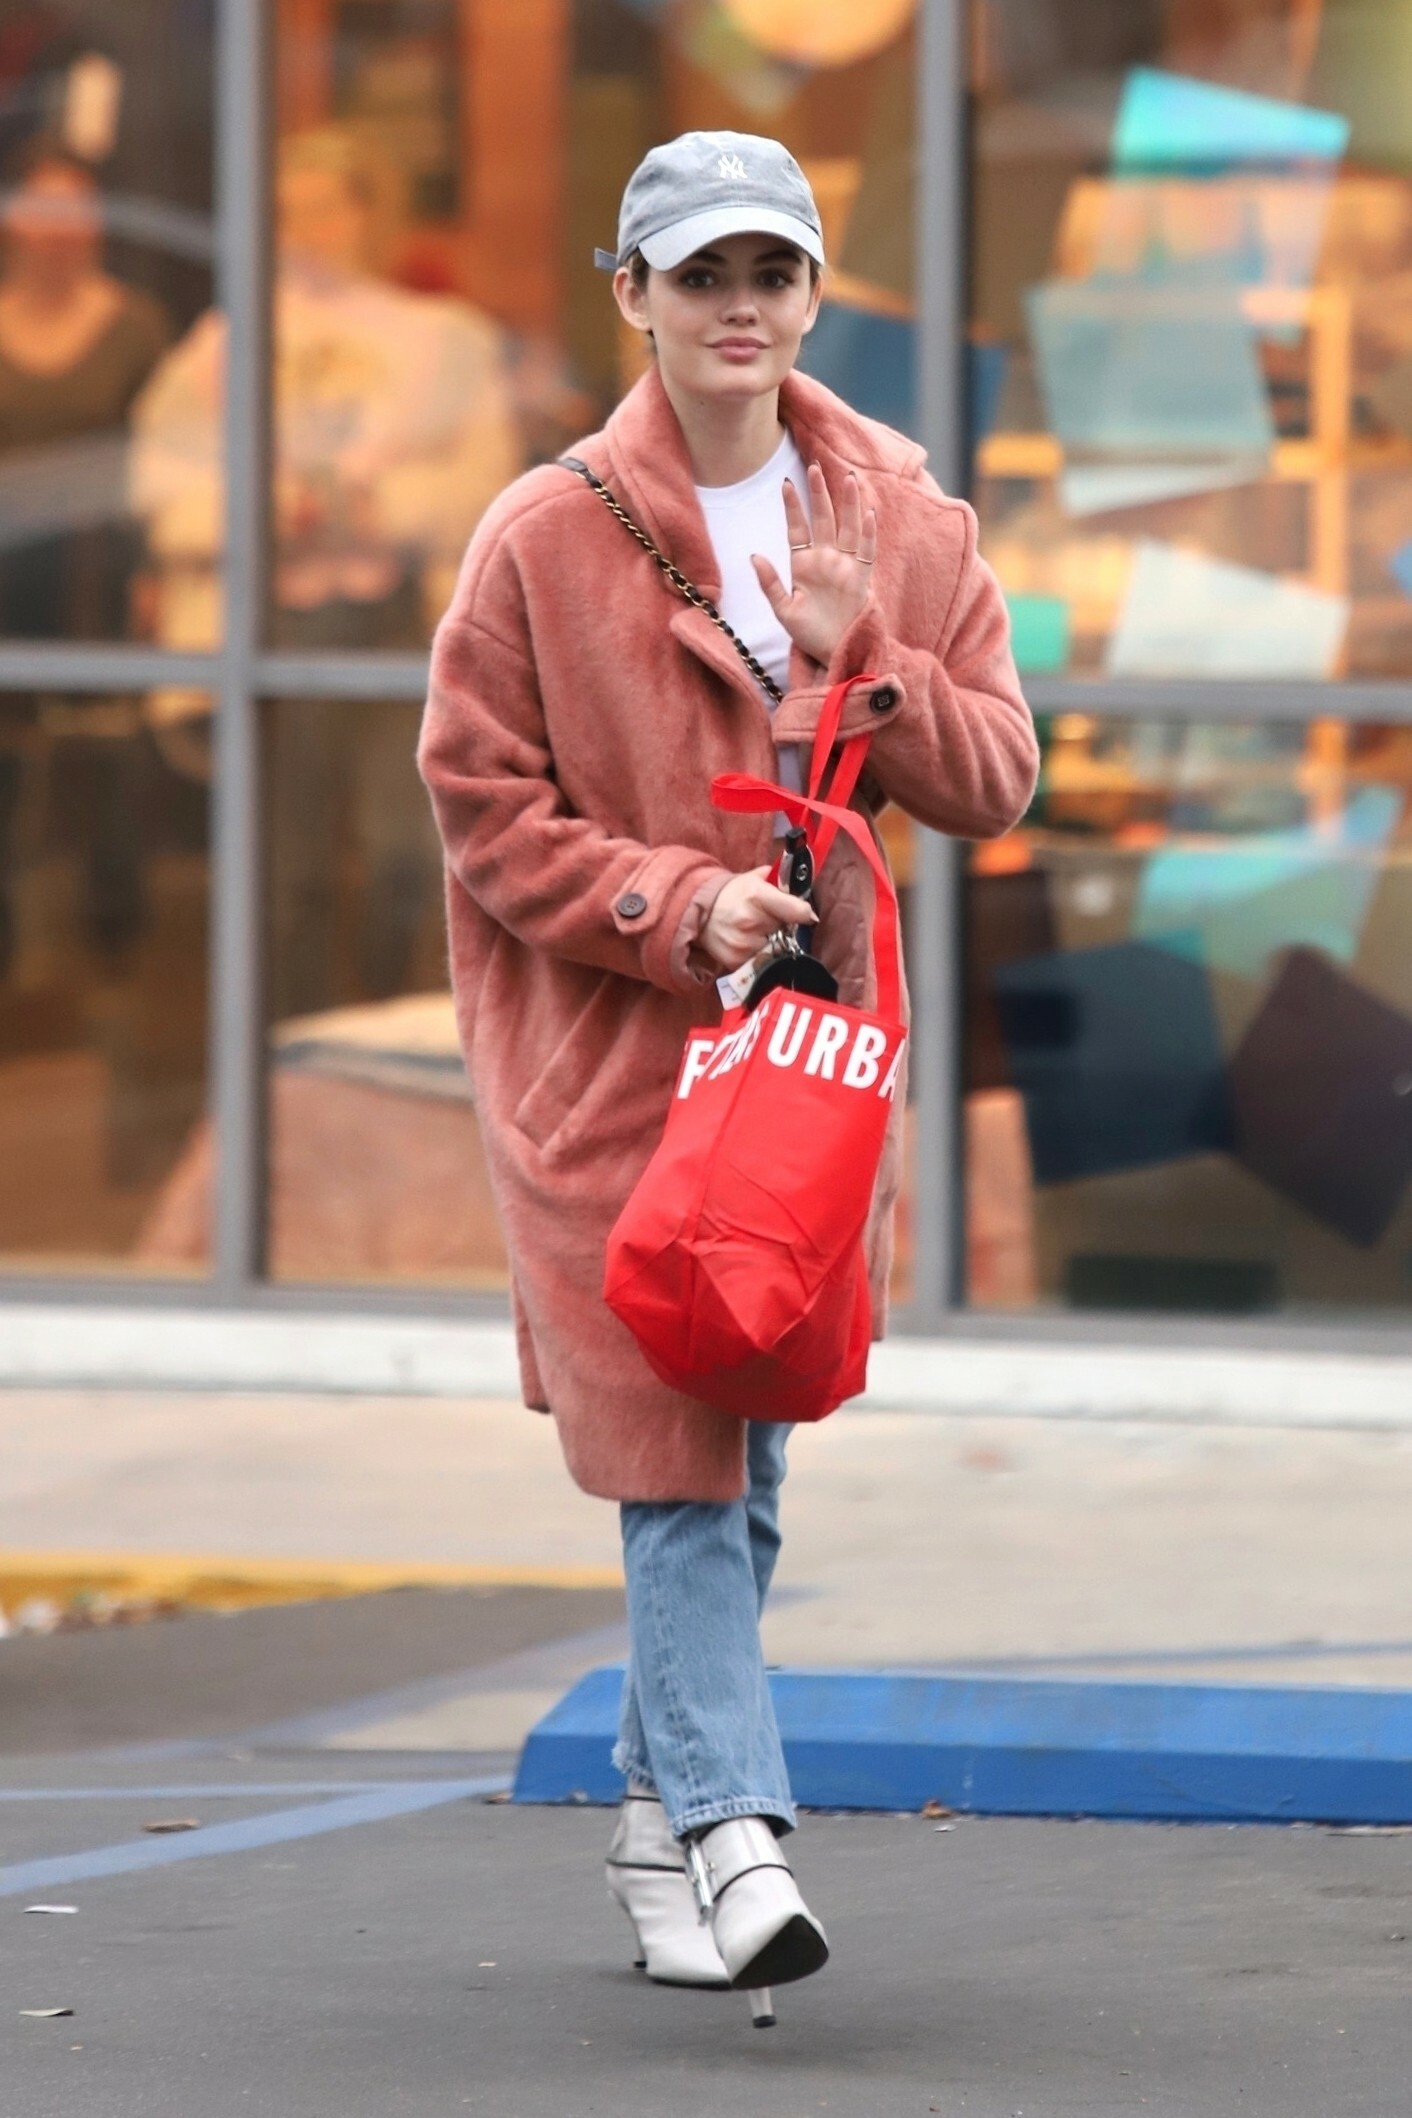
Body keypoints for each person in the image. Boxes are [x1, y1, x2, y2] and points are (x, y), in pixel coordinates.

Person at [418, 131, 1038, 2025]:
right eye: (700, 275)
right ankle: (734, 1833)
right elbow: (483, 807)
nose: (739, 308)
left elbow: (997, 777)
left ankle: (645, 1824)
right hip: (613, 1065)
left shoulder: (907, 520)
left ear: (816, 294)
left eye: (771, 272)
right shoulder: (542, 535)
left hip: (804, 1077)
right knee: (679, 1469)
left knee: (745, 1457)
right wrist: (676, 903)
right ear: (633, 295)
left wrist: (870, 663)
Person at [130, 127, 520, 1016]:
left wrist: (381, 506)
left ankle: (385, 1021)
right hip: (276, 622)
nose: (311, 230)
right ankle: (290, 1047)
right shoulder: (227, 343)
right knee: (289, 867)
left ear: (368, 215)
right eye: (292, 212)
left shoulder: (439, 336)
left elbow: (485, 481)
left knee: (406, 852)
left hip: (400, 618)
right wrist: (268, 509)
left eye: (328, 209)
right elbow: (161, 479)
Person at [0, 137, 170, 974]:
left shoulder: (135, 326)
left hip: (99, 577)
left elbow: (170, 460)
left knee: (109, 764)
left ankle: (114, 956)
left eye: (78, 210)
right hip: (5, 576)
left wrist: (155, 570)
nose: (61, 230)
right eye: (45, 211)